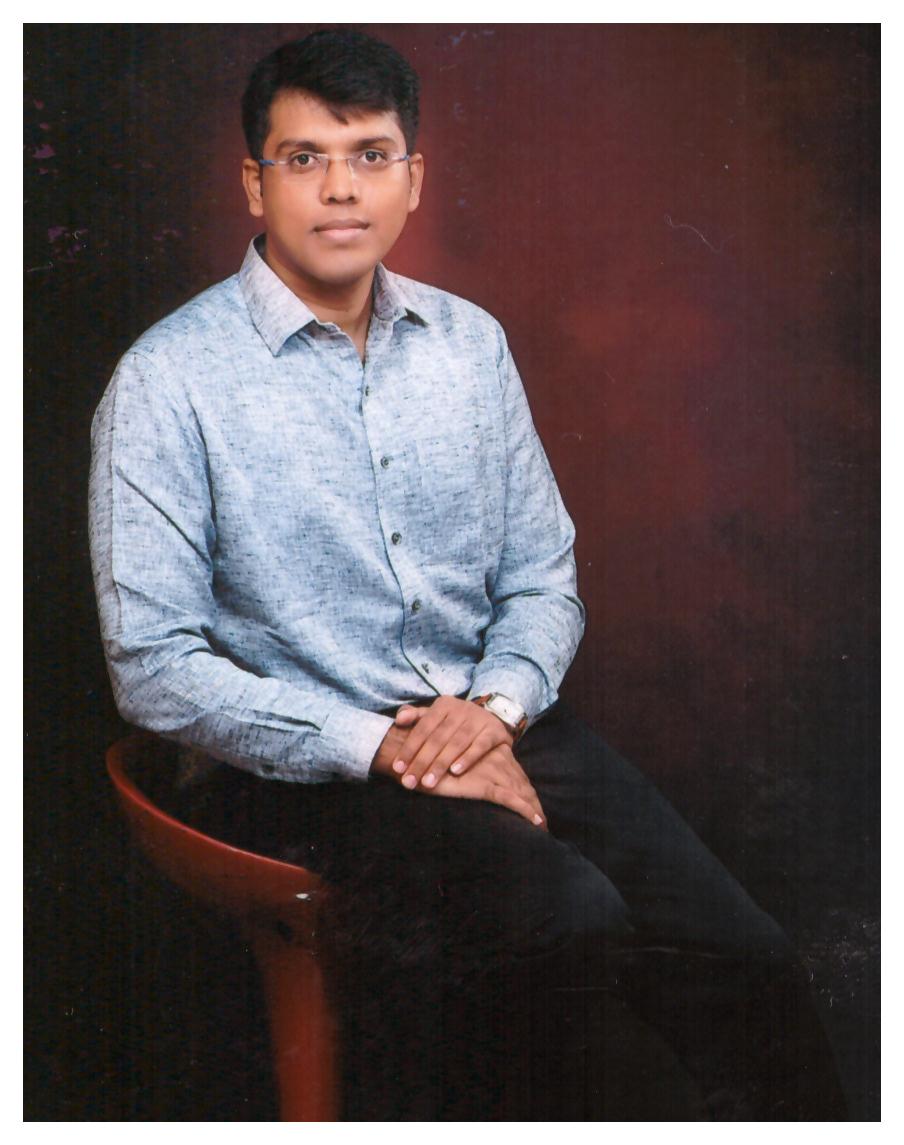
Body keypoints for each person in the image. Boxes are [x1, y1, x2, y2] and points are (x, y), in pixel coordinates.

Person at [89, 28, 847, 1121]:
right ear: (253, 183)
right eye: (304, 158)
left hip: (491, 715)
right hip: (303, 767)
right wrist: (388, 745)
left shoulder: (470, 345)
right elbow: (155, 670)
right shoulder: (166, 382)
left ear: (413, 178)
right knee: (565, 918)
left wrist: (490, 712)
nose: (340, 189)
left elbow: (542, 575)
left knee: (747, 952)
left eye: (370, 155)